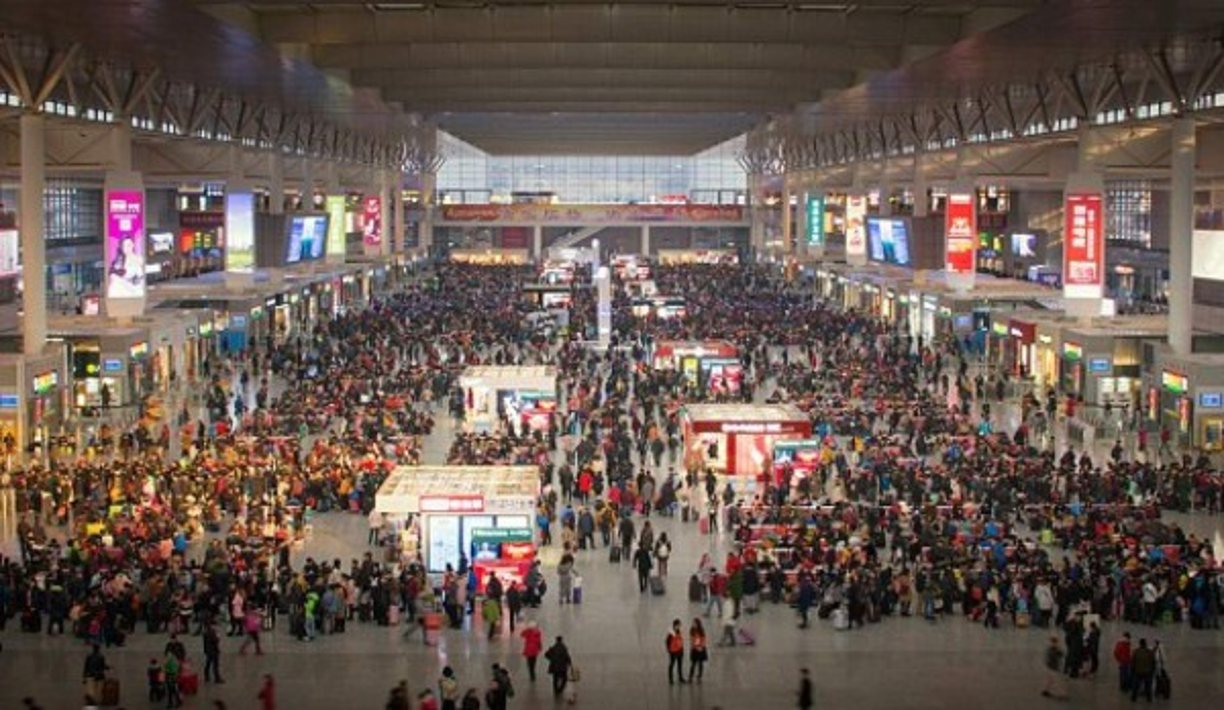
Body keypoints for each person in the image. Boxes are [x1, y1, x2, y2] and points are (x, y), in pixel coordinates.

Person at [666, 618, 687, 685]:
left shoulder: (679, 631)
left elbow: (680, 640)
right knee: (672, 664)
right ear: (675, 625)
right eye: (678, 625)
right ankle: (671, 679)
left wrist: (682, 648)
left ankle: (680, 677)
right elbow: (667, 642)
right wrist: (669, 650)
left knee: (680, 665)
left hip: (680, 650)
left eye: (679, 625)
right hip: (673, 652)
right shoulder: (671, 634)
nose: (679, 626)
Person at [688, 618, 708, 683]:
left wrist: (701, 647)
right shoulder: (691, 630)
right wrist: (695, 647)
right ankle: (690, 676)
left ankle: (699, 676)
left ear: (698, 624)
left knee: (700, 663)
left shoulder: (701, 630)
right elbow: (691, 640)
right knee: (693, 663)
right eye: (693, 623)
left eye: (695, 623)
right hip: (695, 649)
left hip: (701, 649)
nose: (693, 624)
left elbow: (704, 639)